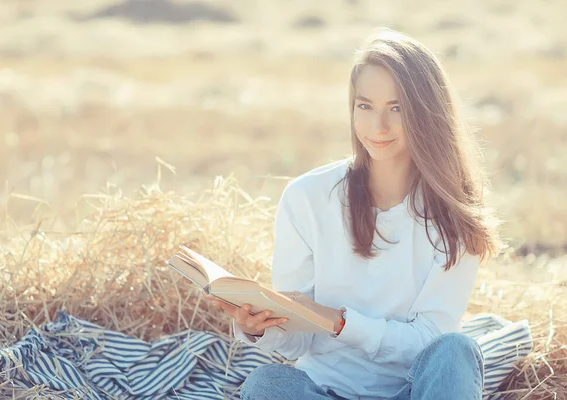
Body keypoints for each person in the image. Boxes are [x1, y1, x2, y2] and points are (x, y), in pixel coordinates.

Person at [205, 28, 503, 400]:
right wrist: (261, 326)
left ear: (427, 114)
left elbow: (429, 339)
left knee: (456, 351)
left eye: (396, 108)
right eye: (365, 106)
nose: (378, 127)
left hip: (412, 390)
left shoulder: (455, 213)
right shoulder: (307, 198)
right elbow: (297, 344)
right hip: (324, 390)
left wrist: (341, 323)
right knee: (266, 385)